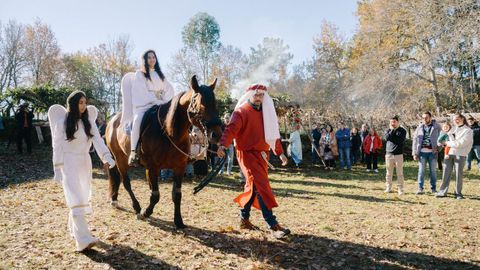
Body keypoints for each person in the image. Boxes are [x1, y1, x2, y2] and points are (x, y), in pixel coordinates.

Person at [217, 84, 290, 239]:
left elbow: (272, 134)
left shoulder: (266, 113)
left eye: (261, 95)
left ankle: (244, 219)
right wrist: (223, 144)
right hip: (246, 153)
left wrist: (280, 153)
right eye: (256, 95)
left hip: (263, 154)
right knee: (261, 185)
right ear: (250, 95)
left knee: (254, 186)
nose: (259, 98)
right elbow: (231, 130)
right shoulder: (241, 112)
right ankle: (273, 225)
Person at [48, 91, 115, 252]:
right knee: (75, 199)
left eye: (85, 102)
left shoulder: (88, 122)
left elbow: (98, 141)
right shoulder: (62, 122)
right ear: (73, 103)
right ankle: (83, 240)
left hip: (85, 162)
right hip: (68, 163)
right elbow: (57, 146)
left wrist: (107, 157)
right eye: (80, 102)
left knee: (83, 198)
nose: (84, 106)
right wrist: (57, 168)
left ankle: (73, 230)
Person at [126, 50, 175, 166]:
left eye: (154, 57)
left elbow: (169, 90)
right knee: (137, 121)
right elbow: (141, 92)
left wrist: (164, 101)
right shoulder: (140, 74)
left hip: (161, 104)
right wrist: (155, 99)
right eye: (149, 57)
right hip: (144, 105)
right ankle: (134, 152)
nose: (152, 59)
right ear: (145, 60)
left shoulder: (160, 75)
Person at [436, 113, 473, 199]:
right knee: (446, 173)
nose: (455, 121)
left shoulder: (468, 131)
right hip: (449, 154)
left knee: (458, 174)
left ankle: (458, 193)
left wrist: (447, 143)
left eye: (457, 119)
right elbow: (443, 138)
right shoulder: (452, 129)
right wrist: (441, 142)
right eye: (454, 119)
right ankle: (442, 192)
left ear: (462, 119)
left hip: (460, 154)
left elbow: (460, 143)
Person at [412, 112, 441, 195]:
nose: (424, 119)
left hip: (432, 153)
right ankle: (420, 188)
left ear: (430, 117)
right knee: (421, 171)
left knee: (433, 171)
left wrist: (438, 149)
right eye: (423, 117)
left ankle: (434, 189)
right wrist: (414, 153)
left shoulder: (437, 126)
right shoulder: (419, 127)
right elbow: (415, 140)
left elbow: (442, 137)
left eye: (426, 117)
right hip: (422, 153)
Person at [384, 115, 407, 195]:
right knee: (388, 172)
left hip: (398, 155)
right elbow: (387, 138)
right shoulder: (388, 130)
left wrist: (392, 136)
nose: (392, 123)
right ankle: (388, 187)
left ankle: (400, 189)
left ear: (398, 122)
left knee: (399, 173)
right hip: (389, 154)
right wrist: (392, 131)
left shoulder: (402, 131)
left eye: (394, 122)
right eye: (391, 122)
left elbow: (399, 141)